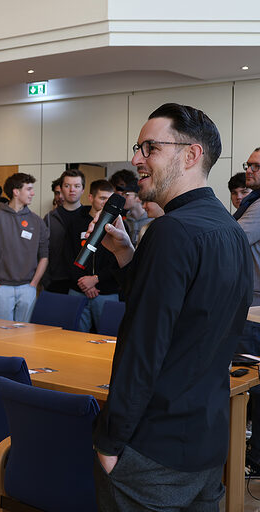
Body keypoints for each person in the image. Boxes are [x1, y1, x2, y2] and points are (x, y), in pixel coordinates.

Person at [92, 103, 251, 510]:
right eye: (137, 147)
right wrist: (130, 257)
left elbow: (144, 347)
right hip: (206, 440)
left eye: (150, 148)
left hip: (154, 449)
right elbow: (188, 315)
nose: (135, 159)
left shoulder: (171, 231)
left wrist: (110, 443)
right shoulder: (228, 228)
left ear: (191, 155)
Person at [0, 173, 48, 321]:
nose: (33, 193)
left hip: (28, 287)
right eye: (29, 189)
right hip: (2, 287)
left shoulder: (37, 221)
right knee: (0, 334)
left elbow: (44, 256)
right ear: (16, 192)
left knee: (24, 336)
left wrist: (34, 284)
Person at [234, 147, 260, 476]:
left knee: (248, 385)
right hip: (251, 303)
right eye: (248, 164)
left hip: (253, 309)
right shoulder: (250, 202)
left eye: (256, 166)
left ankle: (252, 459)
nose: (249, 170)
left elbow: (231, 239)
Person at [64, 179, 120, 332]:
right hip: (77, 289)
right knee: (74, 340)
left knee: (108, 338)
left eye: (109, 199)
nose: (106, 203)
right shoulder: (76, 223)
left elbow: (120, 260)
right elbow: (68, 256)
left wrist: (96, 279)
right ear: (91, 198)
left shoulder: (119, 225)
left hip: (106, 291)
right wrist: (83, 283)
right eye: (102, 198)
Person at [43, 169, 85, 293]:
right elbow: (43, 250)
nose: (72, 190)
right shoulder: (50, 218)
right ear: (61, 189)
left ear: (83, 190)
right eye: (67, 186)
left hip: (82, 283)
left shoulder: (89, 218)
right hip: (55, 280)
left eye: (77, 186)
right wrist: (46, 280)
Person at [119, 180, 151, 246]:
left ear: (139, 198)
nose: (123, 198)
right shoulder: (124, 221)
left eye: (127, 195)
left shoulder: (151, 220)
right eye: (123, 194)